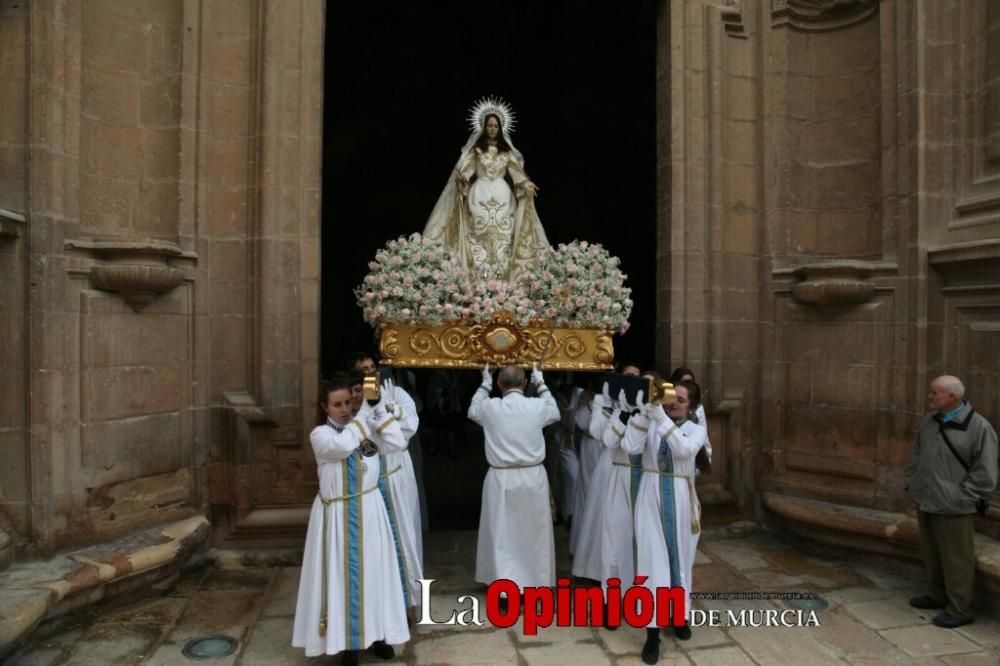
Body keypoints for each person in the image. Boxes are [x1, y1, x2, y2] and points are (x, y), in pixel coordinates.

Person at [292, 376, 409, 664]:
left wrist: (378, 408)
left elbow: (395, 443)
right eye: (337, 404)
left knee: (375, 575)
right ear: (325, 407)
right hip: (337, 518)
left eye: (347, 402)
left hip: (370, 512)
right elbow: (342, 447)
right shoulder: (321, 436)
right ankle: (348, 645)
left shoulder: (364, 433)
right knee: (341, 581)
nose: (344, 409)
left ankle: (378, 634)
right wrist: (364, 416)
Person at [622, 380, 708, 664]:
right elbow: (629, 446)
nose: (674, 403)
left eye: (682, 400)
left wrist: (660, 419)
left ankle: (680, 615)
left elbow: (683, 451)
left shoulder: (696, 429)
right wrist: (643, 415)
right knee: (652, 561)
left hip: (681, 498)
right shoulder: (653, 422)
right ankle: (652, 633)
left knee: (681, 560)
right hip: (650, 494)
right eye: (672, 397)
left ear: (692, 405)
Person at [905, 375, 998, 628]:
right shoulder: (930, 422)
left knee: (957, 559)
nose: (930, 397)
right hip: (926, 499)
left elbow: (986, 472)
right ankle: (937, 595)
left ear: (952, 397)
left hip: (954, 506)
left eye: (935, 393)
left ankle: (960, 610)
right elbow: (917, 452)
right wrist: (912, 481)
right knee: (932, 552)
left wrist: (961, 498)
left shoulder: (979, 427)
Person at [423, 97, 549, 281]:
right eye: (489, 126)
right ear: (483, 127)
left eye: (495, 126)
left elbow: (516, 174)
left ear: (500, 128)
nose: (492, 129)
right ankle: (478, 278)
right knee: (478, 233)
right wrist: (461, 180)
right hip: (479, 194)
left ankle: (502, 278)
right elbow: (467, 171)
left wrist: (527, 184)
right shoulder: (476, 151)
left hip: (503, 195)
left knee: (504, 235)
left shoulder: (506, 152)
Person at [468, 364, 561, 595]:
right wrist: (542, 383)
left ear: (500, 384)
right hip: (532, 477)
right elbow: (555, 411)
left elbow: (472, 410)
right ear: (525, 383)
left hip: (501, 478)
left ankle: (504, 589)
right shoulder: (537, 405)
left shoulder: (490, 406)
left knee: (502, 534)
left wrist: (484, 383)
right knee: (533, 533)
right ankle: (535, 584)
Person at [349, 352, 423, 619]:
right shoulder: (353, 404)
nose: (371, 373)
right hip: (369, 482)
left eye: (372, 367)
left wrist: (389, 407)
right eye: (363, 370)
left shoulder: (397, 392)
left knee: (404, 536)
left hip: (396, 474)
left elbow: (408, 427)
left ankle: (408, 603)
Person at [670, 367, 712, 474]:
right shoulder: (660, 418)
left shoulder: (697, 427)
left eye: (681, 400)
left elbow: (703, 439)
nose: (674, 402)